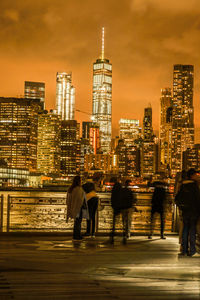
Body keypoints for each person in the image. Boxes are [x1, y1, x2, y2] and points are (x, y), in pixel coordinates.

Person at [175, 168, 200, 257]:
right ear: (192, 176)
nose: (197, 176)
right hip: (193, 211)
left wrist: (181, 207)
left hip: (185, 211)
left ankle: (184, 250)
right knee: (192, 230)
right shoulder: (194, 186)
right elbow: (198, 199)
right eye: (196, 175)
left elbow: (177, 198)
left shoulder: (183, 185)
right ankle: (192, 250)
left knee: (185, 229)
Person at [66, 175, 87, 240]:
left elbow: (68, 199)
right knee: (78, 222)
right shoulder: (79, 189)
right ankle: (77, 235)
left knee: (76, 222)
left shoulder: (70, 189)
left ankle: (76, 235)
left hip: (73, 207)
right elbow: (81, 199)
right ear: (79, 181)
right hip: (79, 207)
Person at [110, 178, 123, 243]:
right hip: (120, 206)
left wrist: (112, 205)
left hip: (115, 206)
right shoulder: (121, 190)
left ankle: (113, 233)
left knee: (114, 221)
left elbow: (112, 198)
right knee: (122, 221)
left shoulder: (114, 190)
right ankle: (123, 234)